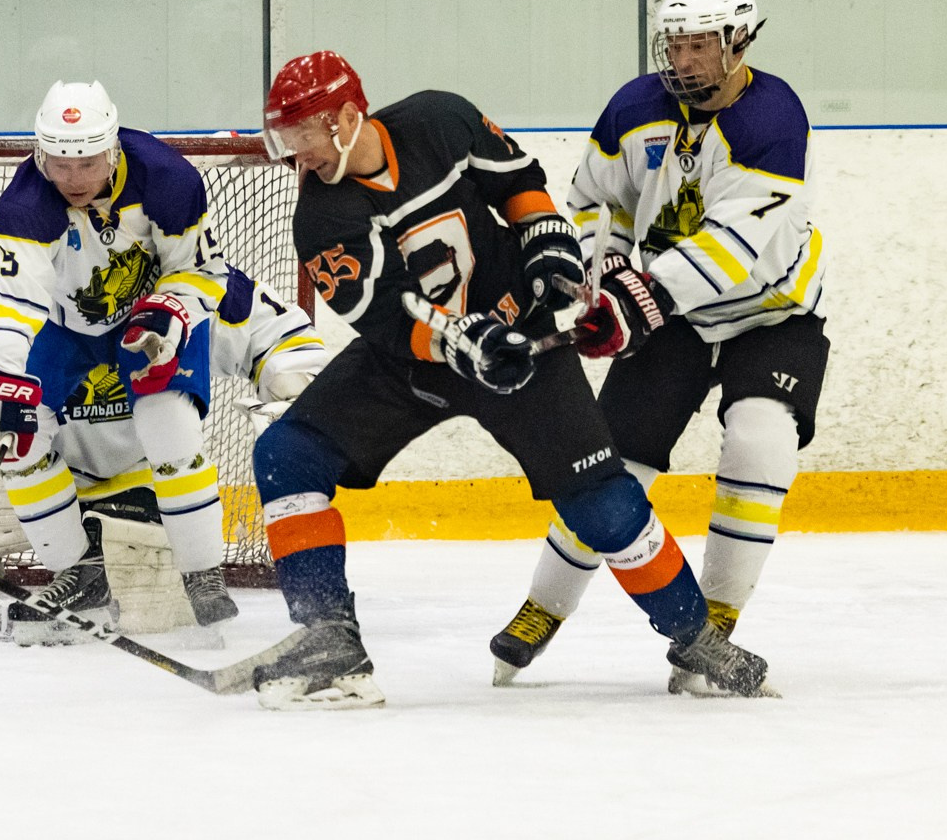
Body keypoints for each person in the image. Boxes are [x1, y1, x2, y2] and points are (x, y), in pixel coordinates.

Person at [234, 49, 772, 709]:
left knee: (602, 502)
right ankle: (329, 640)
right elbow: (391, 317)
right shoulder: (322, 219)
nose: (295, 155)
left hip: (524, 342)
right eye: (284, 138)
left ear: (347, 117)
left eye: (302, 135)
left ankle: (697, 640)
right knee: (288, 454)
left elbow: (518, 186)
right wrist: (463, 341)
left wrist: (548, 255)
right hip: (416, 361)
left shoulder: (439, 118)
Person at [489, 0, 824, 691]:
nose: (683, 58)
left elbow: (740, 249)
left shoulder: (774, 117)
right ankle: (542, 606)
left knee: (761, 438)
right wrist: (600, 268)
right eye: (675, 42)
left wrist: (640, 295)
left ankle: (717, 621)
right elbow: (590, 201)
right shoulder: (635, 107)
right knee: (608, 465)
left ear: (738, 43)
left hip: (771, 314)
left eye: (701, 43)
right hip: (667, 316)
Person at [0, 259, 327, 636]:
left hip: (135, 479)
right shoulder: (20, 283)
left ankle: (98, 568)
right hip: (17, 467)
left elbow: (284, 339)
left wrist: (296, 388)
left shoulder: (192, 290)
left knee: (156, 610)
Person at [0, 81, 235, 642]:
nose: (74, 178)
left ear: (112, 149)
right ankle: (81, 574)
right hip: (65, 327)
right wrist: (2, 377)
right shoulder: (24, 205)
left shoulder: (168, 179)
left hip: (149, 321)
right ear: (41, 155)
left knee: (170, 422)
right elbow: (9, 304)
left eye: (86, 162)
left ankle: (203, 575)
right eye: (60, 164)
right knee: (11, 433)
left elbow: (200, 271)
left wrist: (168, 312)